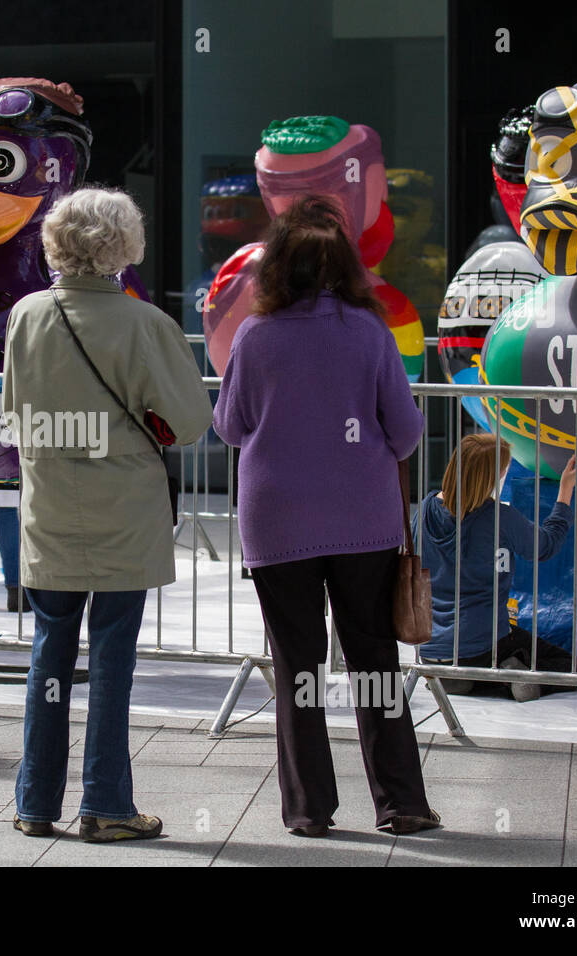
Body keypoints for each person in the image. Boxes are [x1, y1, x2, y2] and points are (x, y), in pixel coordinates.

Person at [213, 194, 437, 838]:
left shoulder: (255, 335)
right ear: (345, 266)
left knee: (296, 664)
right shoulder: (369, 332)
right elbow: (405, 432)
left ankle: (309, 808)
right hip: (363, 520)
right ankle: (401, 802)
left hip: (276, 522)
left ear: (276, 266)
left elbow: (230, 427)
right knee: (373, 659)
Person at [4, 187, 212, 842]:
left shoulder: (26, 316)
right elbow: (188, 423)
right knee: (113, 661)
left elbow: (12, 414)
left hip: (49, 509)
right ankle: (108, 804)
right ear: (125, 244)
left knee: (49, 654)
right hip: (125, 513)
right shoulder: (146, 324)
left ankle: (36, 801)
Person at [415, 433, 577, 700]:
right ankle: (511, 679)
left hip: (429, 650)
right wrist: (566, 491)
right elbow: (546, 545)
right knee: (571, 666)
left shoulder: (425, 509)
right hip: (481, 644)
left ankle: (459, 679)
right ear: (491, 476)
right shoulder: (498, 518)